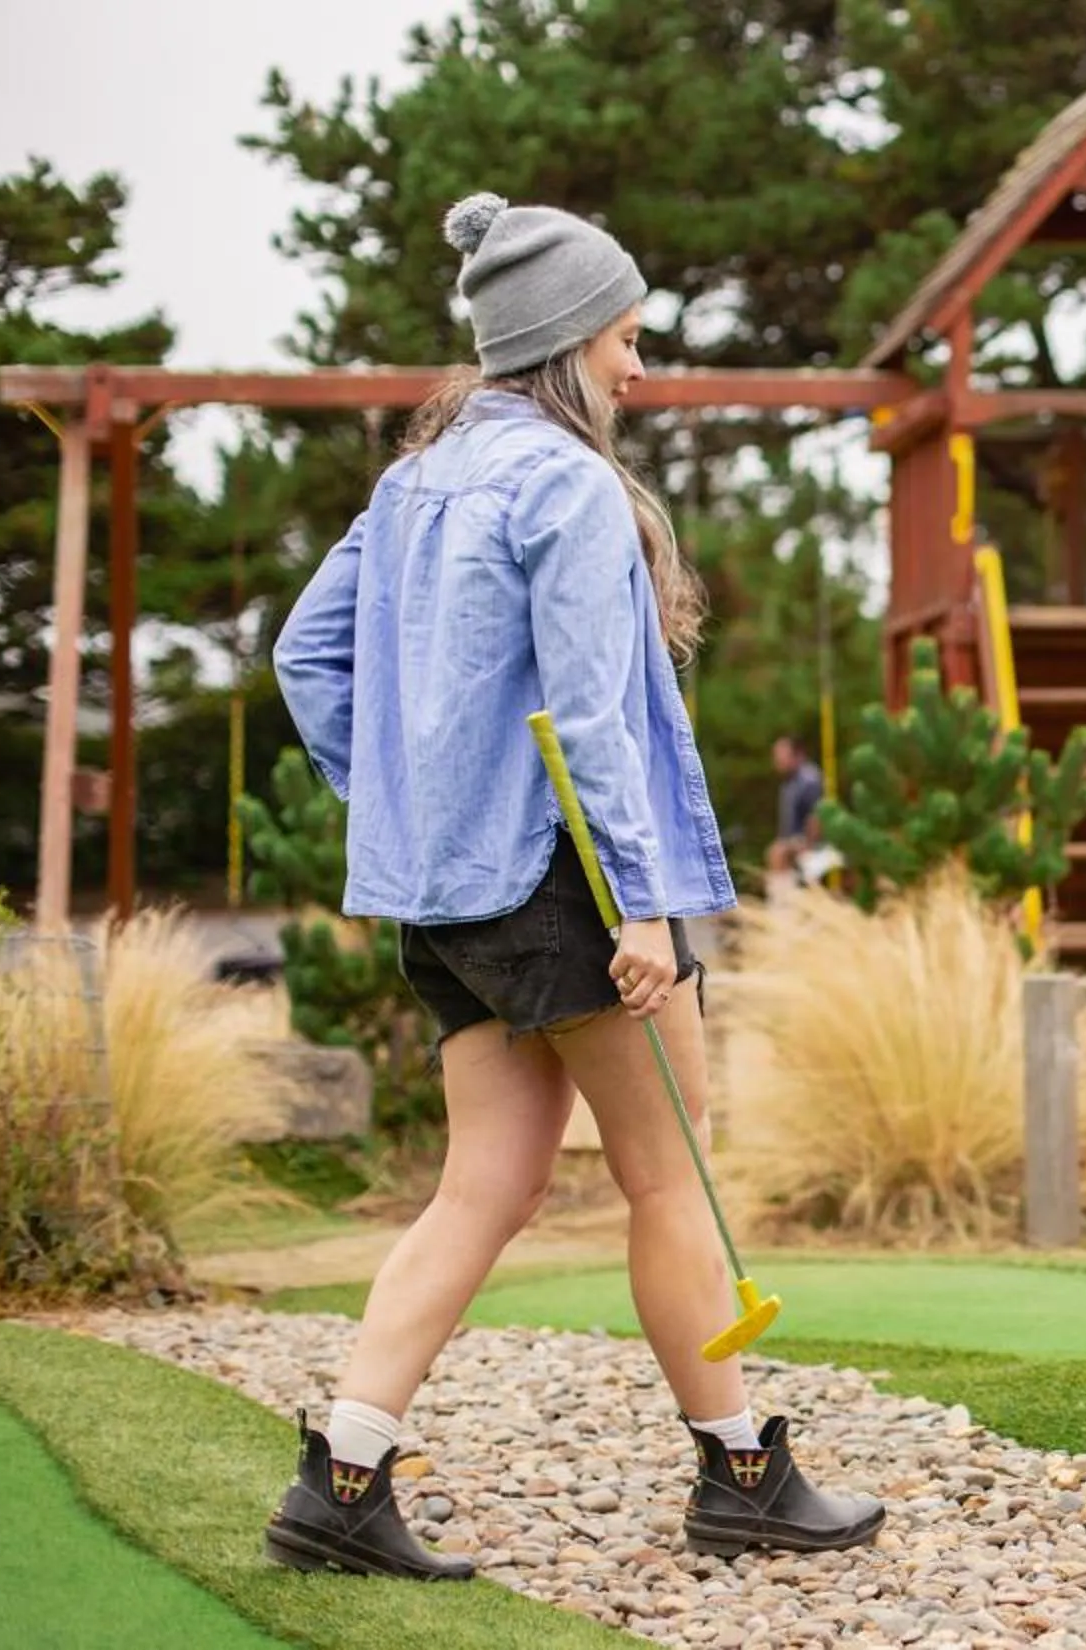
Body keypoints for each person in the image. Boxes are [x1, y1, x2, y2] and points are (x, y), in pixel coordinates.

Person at [264, 191, 882, 1580]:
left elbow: (310, 659)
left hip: (447, 901)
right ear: (566, 342)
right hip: (572, 888)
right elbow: (593, 716)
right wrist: (645, 909)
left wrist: (408, 801)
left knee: (481, 1187)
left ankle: (342, 1478)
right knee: (671, 1177)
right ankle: (743, 1478)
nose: (640, 368)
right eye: (626, 339)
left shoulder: (411, 482)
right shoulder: (566, 485)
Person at [765, 734, 825, 891]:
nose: (777, 760)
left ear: (797, 755)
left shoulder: (809, 780)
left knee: (777, 853)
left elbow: (816, 817)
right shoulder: (788, 784)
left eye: (781, 755)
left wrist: (808, 846)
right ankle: (783, 900)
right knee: (777, 850)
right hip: (793, 840)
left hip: (811, 842)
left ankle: (784, 905)